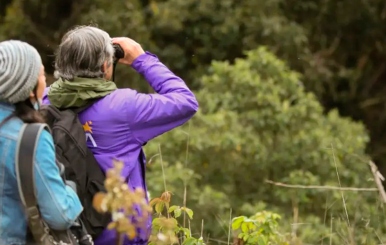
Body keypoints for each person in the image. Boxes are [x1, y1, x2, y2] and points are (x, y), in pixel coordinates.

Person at [43, 26, 198, 244]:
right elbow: (186, 101)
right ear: (106, 65)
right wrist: (141, 59)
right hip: (117, 235)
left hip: (67, 231)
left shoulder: (45, 101)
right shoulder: (124, 107)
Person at [0, 40, 83, 245]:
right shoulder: (30, 137)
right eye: (42, 74)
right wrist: (71, 189)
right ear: (29, 88)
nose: (45, 81)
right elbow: (60, 214)